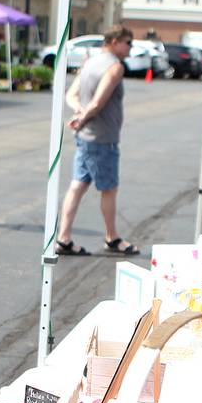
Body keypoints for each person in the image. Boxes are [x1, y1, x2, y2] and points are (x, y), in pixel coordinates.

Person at [53, 25, 142, 257]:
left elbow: (71, 96)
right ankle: (111, 238)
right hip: (102, 139)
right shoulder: (115, 68)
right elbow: (98, 103)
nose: (130, 47)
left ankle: (63, 238)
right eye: (128, 42)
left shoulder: (90, 62)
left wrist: (79, 114)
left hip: (86, 137)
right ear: (114, 41)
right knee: (109, 189)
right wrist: (83, 117)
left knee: (78, 185)